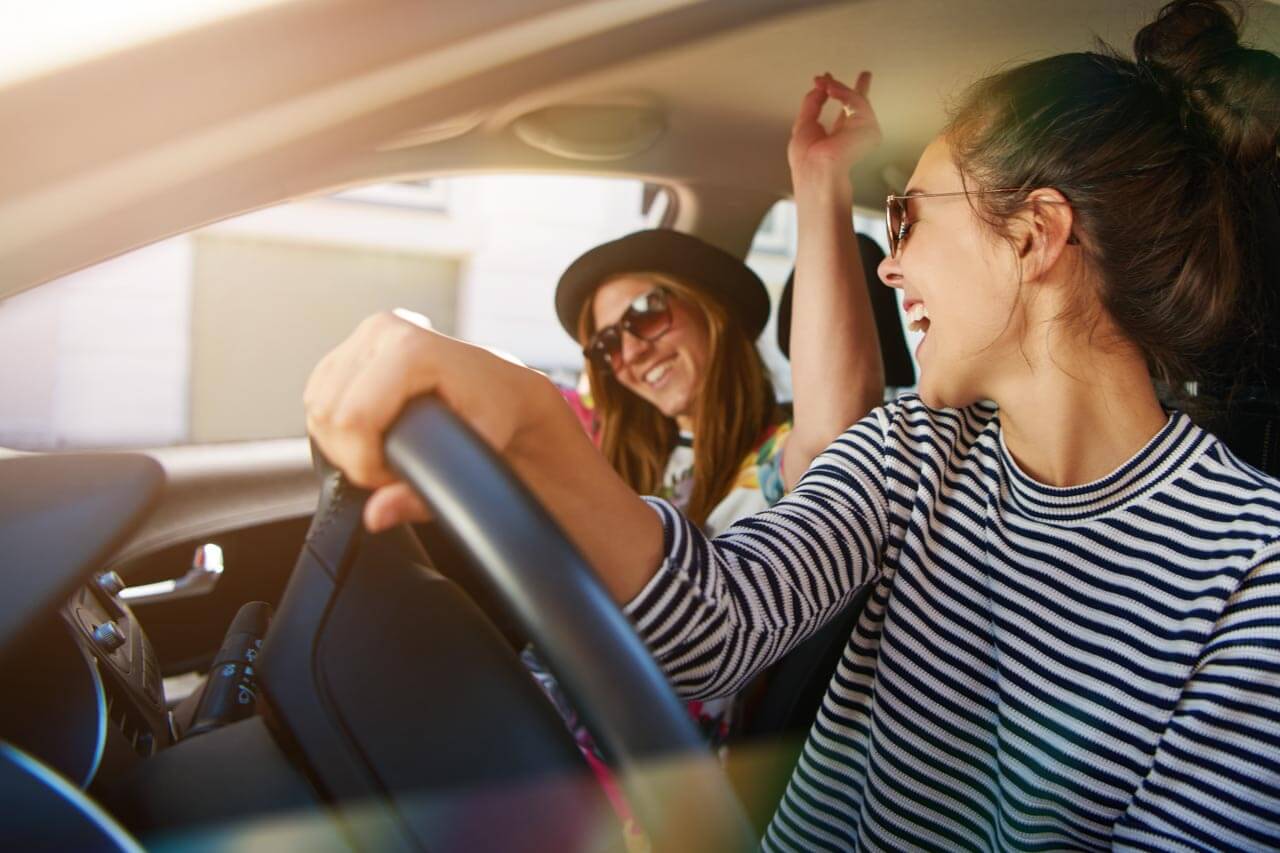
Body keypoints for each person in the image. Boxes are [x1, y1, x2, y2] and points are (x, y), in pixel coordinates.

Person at [304, 1, 1280, 848]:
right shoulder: (911, 448)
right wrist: (529, 424)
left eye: (906, 220)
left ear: (1034, 235)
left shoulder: (1252, 573)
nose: (889, 265)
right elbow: (715, 627)